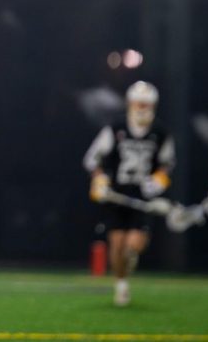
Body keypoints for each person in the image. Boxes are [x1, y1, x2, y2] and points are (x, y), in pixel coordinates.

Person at [83, 80, 176, 306]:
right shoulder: (116, 129)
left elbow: (167, 163)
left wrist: (159, 179)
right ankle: (121, 286)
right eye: (138, 103)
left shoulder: (160, 132)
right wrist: (99, 178)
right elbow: (92, 158)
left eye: (146, 104)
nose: (142, 108)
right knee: (116, 244)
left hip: (142, 195)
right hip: (117, 192)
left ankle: (130, 258)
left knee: (134, 244)